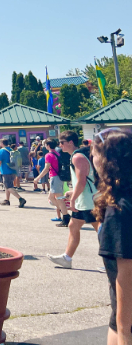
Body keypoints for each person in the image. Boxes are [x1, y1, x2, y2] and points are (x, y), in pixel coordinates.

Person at [92, 128, 132, 345]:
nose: (92, 160)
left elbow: (127, 276)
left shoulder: (120, 209)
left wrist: (125, 332)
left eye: (95, 155)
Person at [47, 130, 99, 269]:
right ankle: (67, 258)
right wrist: (73, 192)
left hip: (88, 200)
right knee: (73, 225)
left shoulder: (77, 157)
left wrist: (73, 200)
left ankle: (111, 261)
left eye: (62, 143)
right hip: (85, 198)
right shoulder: (79, 155)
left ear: (70, 142)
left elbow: (82, 181)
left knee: (100, 229)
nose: (60, 146)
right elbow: (82, 181)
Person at [33, 138, 69, 225]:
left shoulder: (49, 155)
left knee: (59, 198)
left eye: (45, 145)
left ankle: (66, 216)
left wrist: (38, 178)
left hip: (55, 177)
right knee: (51, 198)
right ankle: (64, 213)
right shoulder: (57, 153)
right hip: (59, 176)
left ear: (48, 146)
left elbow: (46, 168)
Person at [0, 139, 26, 208]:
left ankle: (20, 199)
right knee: (7, 185)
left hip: (6, 171)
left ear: (2, 143)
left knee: (8, 186)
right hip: (13, 170)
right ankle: (7, 200)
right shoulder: (11, 150)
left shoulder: (1, 151)